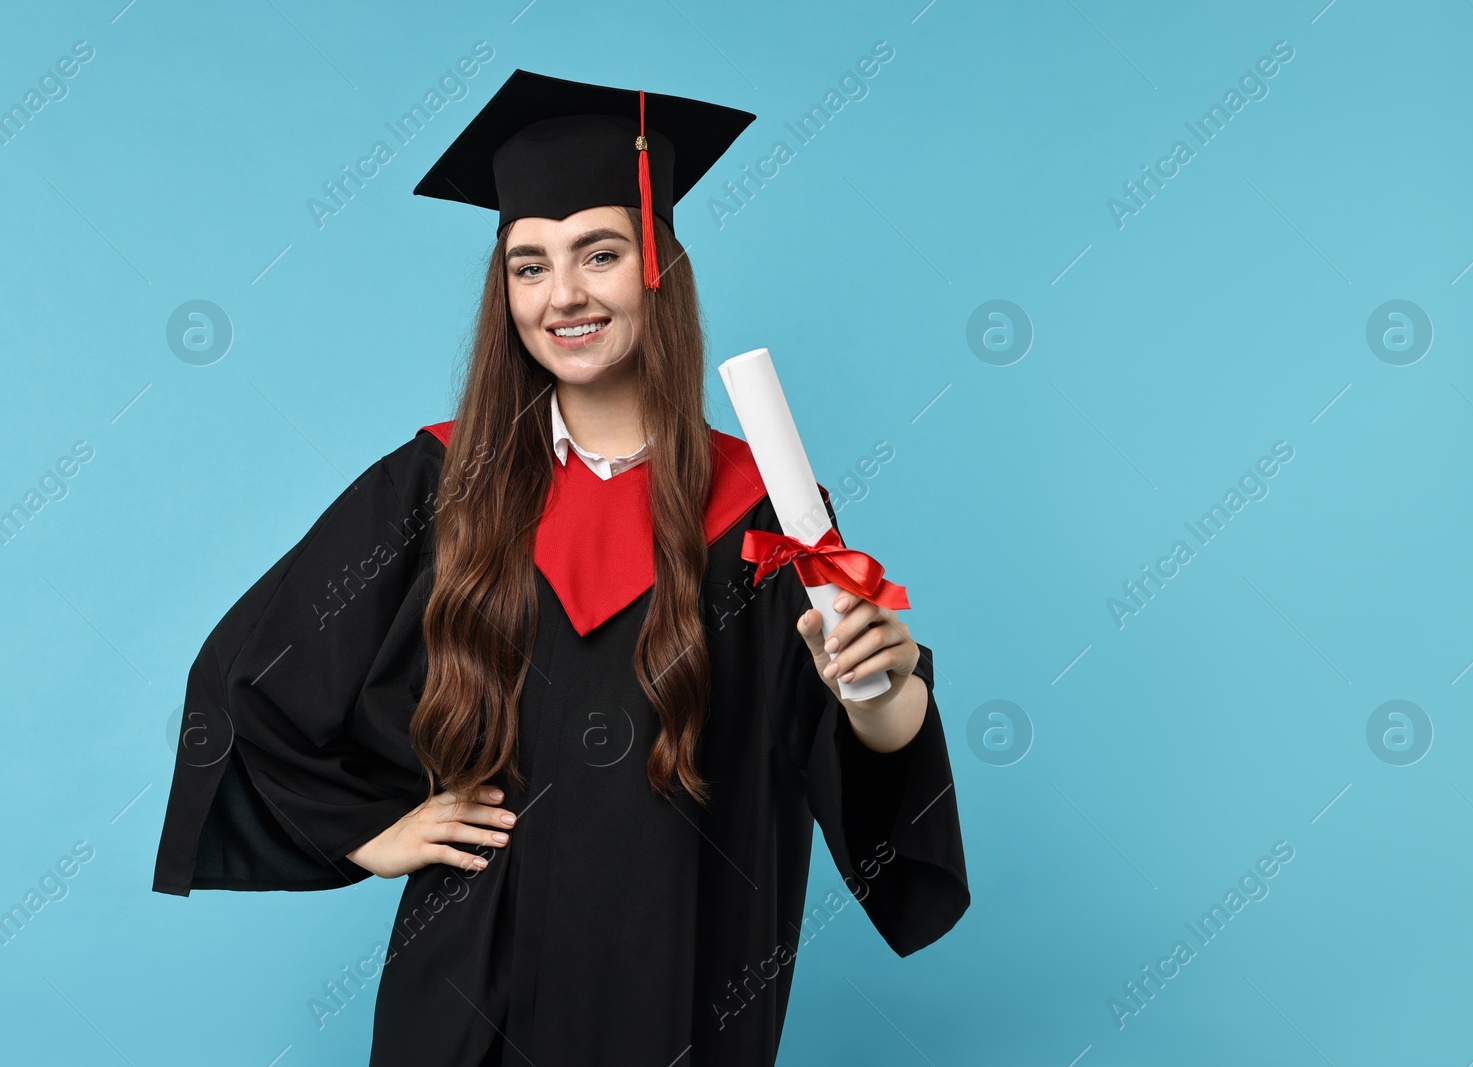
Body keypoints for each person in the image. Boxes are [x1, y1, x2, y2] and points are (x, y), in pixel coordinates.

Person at [152, 69, 969, 1066]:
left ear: (660, 264)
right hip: (471, 973)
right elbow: (248, 676)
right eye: (527, 265)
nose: (564, 293)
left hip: (691, 962)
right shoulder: (439, 481)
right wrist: (368, 833)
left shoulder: (763, 504)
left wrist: (885, 697)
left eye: (600, 252)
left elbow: (838, 723)